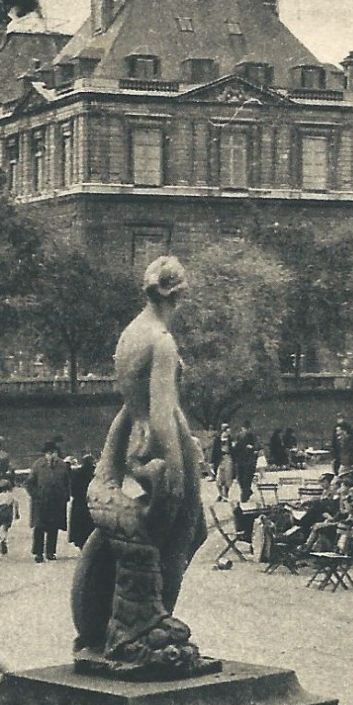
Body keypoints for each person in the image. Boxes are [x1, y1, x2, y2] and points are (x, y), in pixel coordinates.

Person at [71, 254, 211, 678]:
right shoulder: (162, 341)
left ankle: (137, 616)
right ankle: (148, 622)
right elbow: (162, 411)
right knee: (184, 529)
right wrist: (173, 469)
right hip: (161, 445)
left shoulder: (132, 333)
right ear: (180, 293)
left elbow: (130, 405)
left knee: (164, 533)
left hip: (137, 435)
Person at [25, 439, 70, 563]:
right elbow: (29, 483)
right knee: (39, 527)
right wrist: (36, 495)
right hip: (40, 502)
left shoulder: (62, 465)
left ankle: (50, 552)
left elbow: (67, 482)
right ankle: (38, 553)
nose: (52, 455)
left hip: (56, 501)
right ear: (45, 454)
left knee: (53, 527)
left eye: (54, 452)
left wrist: (65, 496)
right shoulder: (38, 465)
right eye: (49, 453)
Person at [67, 452, 96, 549]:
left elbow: (72, 489)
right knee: (91, 525)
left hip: (79, 503)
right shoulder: (95, 474)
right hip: (92, 502)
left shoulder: (77, 474)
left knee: (80, 526)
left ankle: (80, 543)